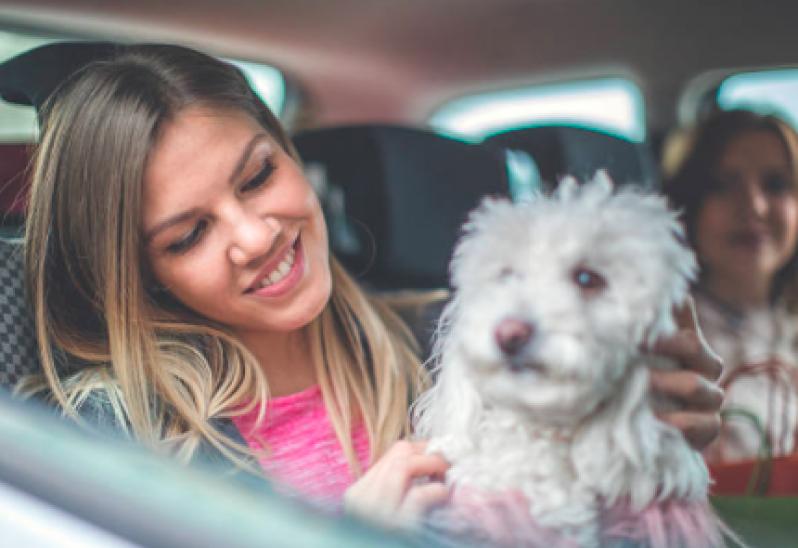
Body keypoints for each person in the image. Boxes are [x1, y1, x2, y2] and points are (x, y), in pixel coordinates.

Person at [20, 43, 722, 526]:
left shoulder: (448, 338)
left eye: (259, 176)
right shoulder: (110, 431)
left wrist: (654, 435)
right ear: (141, 276)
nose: (257, 236)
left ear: (293, 153)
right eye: (188, 235)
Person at [664, 109, 798, 464]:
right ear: (690, 204)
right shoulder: (663, 337)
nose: (753, 206)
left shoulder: (788, 325)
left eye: (775, 184)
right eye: (722, 185)